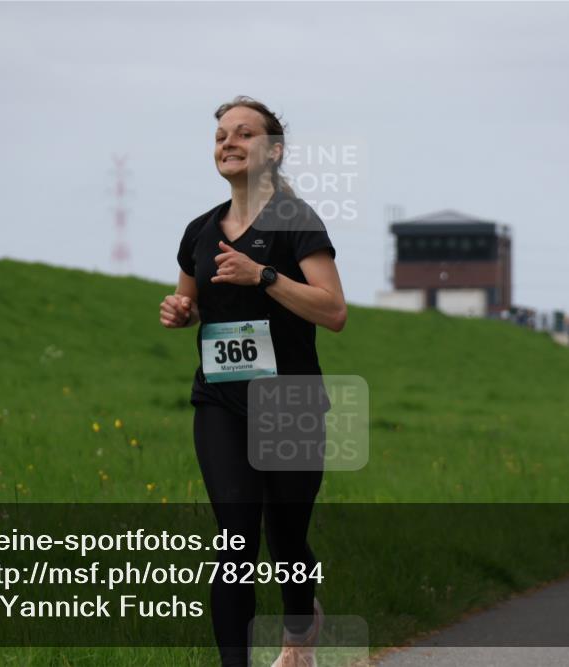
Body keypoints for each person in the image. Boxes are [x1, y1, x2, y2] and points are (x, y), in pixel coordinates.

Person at [160, 96, 347, 666]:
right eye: (220, 135)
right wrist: (179, 311)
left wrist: (262, 274)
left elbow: (334, 311)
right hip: (220, 399)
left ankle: (299, 628)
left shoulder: (296, 222)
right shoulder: (199, 229)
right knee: (234, 539)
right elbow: (189, 298)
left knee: (286, 538)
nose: (228, 143)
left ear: (273, 150)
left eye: (243, 133)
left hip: (289, 400)